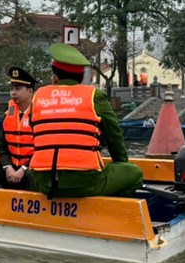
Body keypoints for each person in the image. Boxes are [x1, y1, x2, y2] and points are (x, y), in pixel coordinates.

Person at [29, 43, 143, 198]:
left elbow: (35, 130)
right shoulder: (93, 96)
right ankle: (107, 210)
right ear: (82, 77)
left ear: (54, 76)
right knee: (134, 173)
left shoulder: (38, 96)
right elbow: (114, 136)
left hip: (44, 183)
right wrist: (121, 163)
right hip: (84, 182)